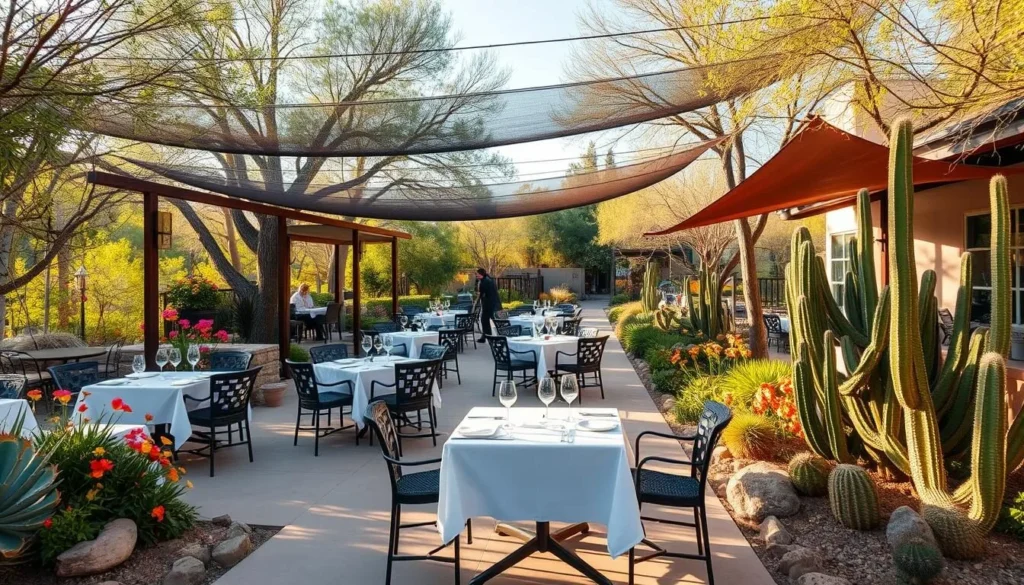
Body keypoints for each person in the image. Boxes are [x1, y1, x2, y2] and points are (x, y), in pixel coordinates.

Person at [476, 268, 501, 342]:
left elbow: (481, 293)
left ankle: (488, 336)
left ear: (481, 274)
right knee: (488, 320)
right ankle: (487, 336)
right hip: (493, 304)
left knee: (486, 320)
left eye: (477, 274)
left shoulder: (485, 282)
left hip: (489, 305)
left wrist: (477, 301)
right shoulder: (488, 279)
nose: (476, 275)